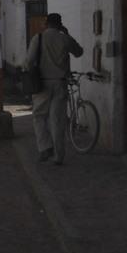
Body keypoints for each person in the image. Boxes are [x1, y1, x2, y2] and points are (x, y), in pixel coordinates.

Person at [25, 13, 84, 165]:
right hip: (60, 83)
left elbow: (29, 62)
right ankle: (59, 156)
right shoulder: (64, 38)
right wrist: (67, 34)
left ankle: (45, 147)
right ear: (60, 24)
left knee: (39, 116)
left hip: (41, 84)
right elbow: (79, 52)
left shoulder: (37, 38)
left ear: (46, 23)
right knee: (57, 120)